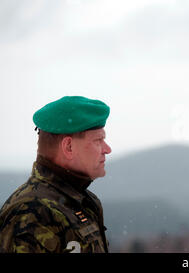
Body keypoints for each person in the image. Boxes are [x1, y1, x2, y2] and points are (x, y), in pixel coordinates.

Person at [0, 96, 112, 253]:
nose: (107, 149)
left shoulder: (83, 202)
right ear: (69, 147)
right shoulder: (32, 212)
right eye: (98, 140)